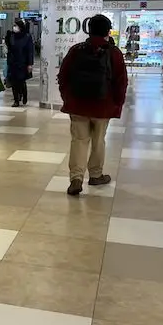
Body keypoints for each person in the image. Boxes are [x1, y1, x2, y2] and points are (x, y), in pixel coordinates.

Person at [58, 14, 128, 196]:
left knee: (79, 141)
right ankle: (96, 175)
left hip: (78, 105)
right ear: (107, 31)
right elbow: (121, 81)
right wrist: (117, 103)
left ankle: (76, 178)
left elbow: (63, 76)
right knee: (98, 141)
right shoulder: (114, 52)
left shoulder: (76, 50)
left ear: (89, 29)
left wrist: (67, 97)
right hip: (102, 106)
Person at [6, 19, 34, 107]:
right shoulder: (12, 36)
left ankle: (24, 94)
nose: (14, 27)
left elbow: (30, 51)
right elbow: (9, 47)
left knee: (21, 81)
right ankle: (16, 100)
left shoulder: (27, 37)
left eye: (16, 25)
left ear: (20, 26)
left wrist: (30, 64)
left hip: (23, 62)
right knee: (14, 81)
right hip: (13, 62)